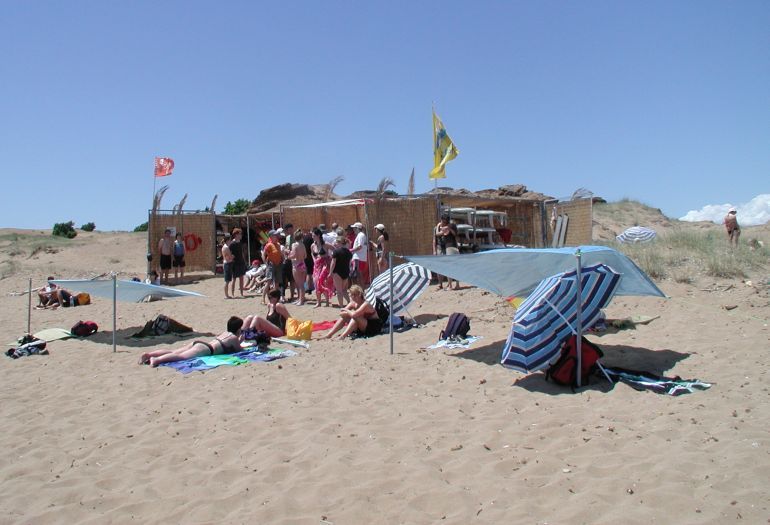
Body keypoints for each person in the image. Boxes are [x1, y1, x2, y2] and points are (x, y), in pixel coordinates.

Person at [138, 316, 244, 367]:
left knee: (173, 351)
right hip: (206, 349)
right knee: (181, 357)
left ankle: (149, 354)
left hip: (200, 343)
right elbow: (240, 351)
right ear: (238, 329)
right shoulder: (234, 338)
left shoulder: (225, 333)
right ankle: (156, 359)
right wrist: (240, 341)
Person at [433, 215, 460, 290]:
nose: (443, 222)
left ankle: (451, 285)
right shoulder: (451, 226)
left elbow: (438, 234)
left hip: (449, 247)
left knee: (450, 267)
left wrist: (439, 226)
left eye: (443, 221)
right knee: (455, 266)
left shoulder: (448, 226)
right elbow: (455, 235)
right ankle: (455, 284)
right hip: (452, 247)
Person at [311, 228, 334, 308]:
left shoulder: (325, 244)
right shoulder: (313, 245)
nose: (312, 237)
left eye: (313, 235)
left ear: (318, 235)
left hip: (324, 266)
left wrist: (330, 257)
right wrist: (314, 260)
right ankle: (318, 302)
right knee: (316, 283)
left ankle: (327, 301)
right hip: (316, 266)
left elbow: (334, 249)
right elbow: (312, 253)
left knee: (322, 283)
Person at [330, 234, 352, 307]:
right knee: (344, 290)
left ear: (340, 242)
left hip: (337, 272)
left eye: (336, 242)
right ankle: (349, 303)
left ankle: (341, 306)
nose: (335, 243)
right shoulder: (348, 252)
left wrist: (330, 272)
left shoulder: (336, 251)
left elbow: (333, 263)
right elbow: (349, 263)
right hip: (346, 272)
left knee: (339, 291)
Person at [262, 230, 284, 303]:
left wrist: (283, 259)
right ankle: (263, 299)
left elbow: (280, 253)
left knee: (277, 282)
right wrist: (265, 263)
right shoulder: (268, 245)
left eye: (276, 235)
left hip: (278, 264)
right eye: (275, 235)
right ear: (271, 236)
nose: (276, 236)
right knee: (269, 281)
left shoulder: (278, 244)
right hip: (271, 264)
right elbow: (263, 254)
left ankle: (276, 298)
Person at [288, 228, 308, 305]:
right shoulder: (303, 245)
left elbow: (294, 255)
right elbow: (305, 256)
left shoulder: (294, 245)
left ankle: (301, 300)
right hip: (302, 264)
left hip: (296, 265)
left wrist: (288, 256)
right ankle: (300, 299)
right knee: (302, 284)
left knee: (299, 284)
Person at [350, 222, 369, 287]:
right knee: (357, 275)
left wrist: (350, 250)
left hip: (358, 258)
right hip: (359, 258)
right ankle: (360, 289)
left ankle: (361, 289)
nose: (353, 230)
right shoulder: (360, 235)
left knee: (358, 275)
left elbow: (360, 246)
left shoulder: (361, 235)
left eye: (354, 228)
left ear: (357, 228)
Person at [229, 228, 247, 297]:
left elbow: (241, 252)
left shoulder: (240, 242)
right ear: (236, 235)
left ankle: (241, 293)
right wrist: (231, 259)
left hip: (241, 262)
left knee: (241, 278)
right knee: (234, 279)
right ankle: (232, 294)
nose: (241, 235)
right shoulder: (232, 244)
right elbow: (229, 253)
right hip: (235, 263)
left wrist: (244, 261)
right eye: (240, 234)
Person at [221, 233, 234, 299]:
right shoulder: (226, 247)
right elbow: (230, 257)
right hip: (227, 264)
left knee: (227, 281)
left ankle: (226, 295)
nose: (231, 241)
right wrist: (233, 256)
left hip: (227, 263)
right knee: (227, 281)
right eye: (230, 240)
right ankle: (226, 295)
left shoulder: (225, 246)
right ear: (228, 240)